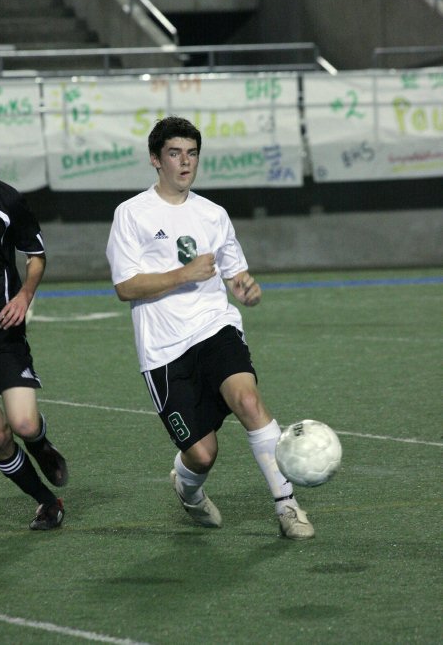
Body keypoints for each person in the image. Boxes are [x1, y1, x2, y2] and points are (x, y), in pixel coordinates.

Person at [106, 116, 314, 540]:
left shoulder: (213, 214)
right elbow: (126, 287)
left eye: (192, 154)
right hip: (163, 350)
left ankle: (287, 505)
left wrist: (246, 289)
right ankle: (187, 487)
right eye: (175, 153)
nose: (185, 163)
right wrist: (183, 274)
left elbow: (235, 276)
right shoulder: (131, 215)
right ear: (155, 160)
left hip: (214, 327)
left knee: (248, 401)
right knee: (202, 454)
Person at [0, 176, 68, 530]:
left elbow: (35, 256)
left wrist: (24, 296)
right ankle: (47, 502)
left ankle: (39, 442)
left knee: (23, 424)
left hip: (2, 332)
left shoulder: (6, 199)